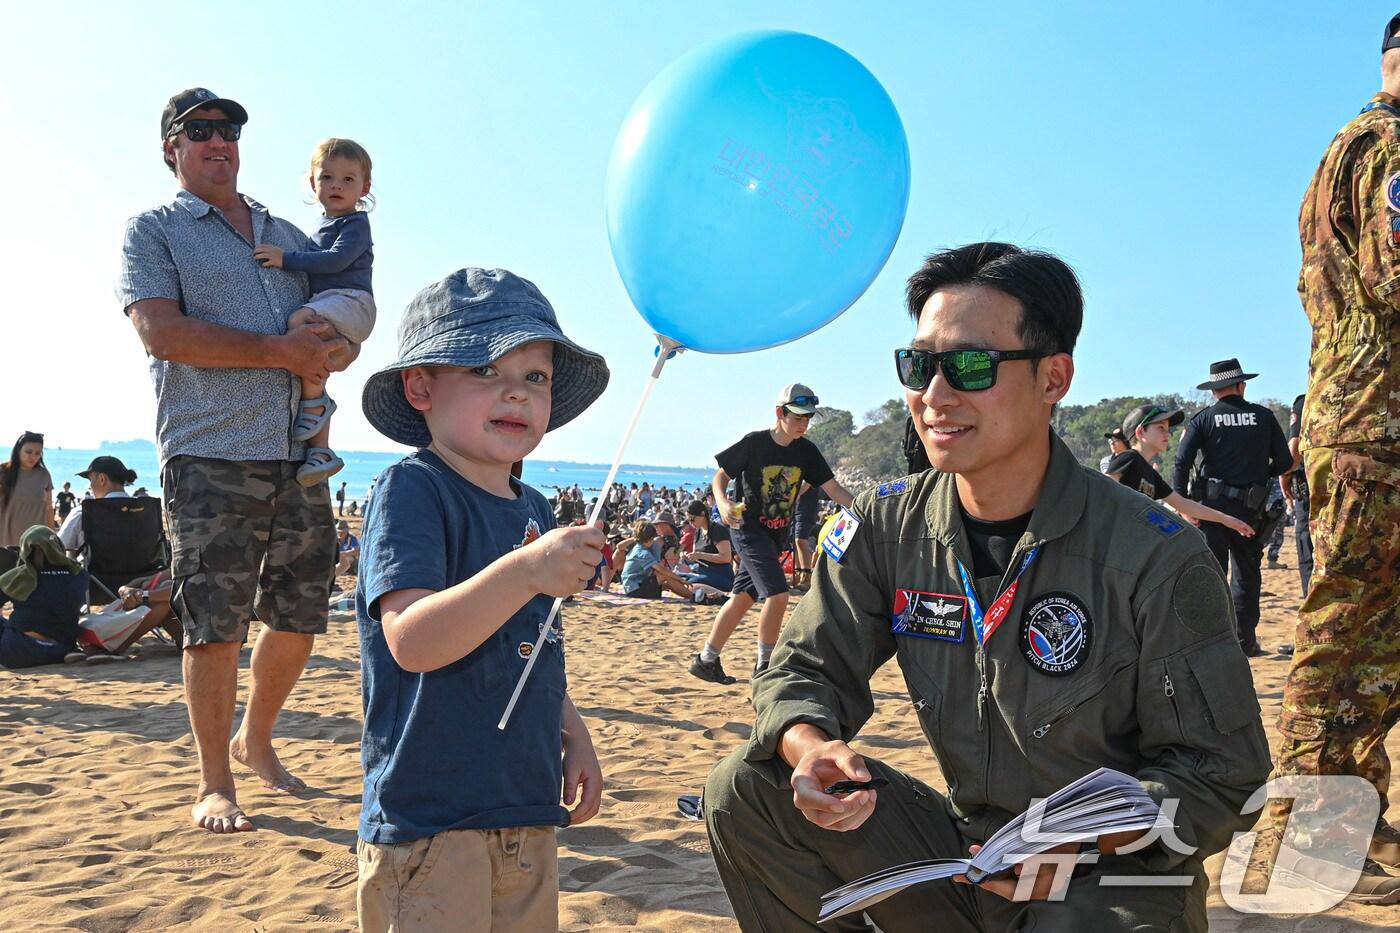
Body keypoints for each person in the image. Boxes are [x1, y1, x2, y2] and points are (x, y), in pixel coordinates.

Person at [703, 242, 1270, 932]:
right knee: (745, 789)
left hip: (1107, 875)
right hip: (966, 854)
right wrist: (809, 746)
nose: (934, 397)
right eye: (919, 366)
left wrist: (1081, 837)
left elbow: (1225, 776)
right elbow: (805, 665)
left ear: (1053, 377)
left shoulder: (1153, 551)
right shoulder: (886, 525)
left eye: (970, 366)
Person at [354, 268, 609, 931]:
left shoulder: (536, 508)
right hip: (431, 818)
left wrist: (572, 732)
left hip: (523, 807)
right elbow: (411, 638)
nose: (516, 393)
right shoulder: (413, 489)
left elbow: (530, 643)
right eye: (486, 370)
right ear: (421, 387)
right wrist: (526, 570)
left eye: (536, 377)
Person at [119, 87, 344, 833]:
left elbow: (336, 316)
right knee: (214, 625)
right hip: (208, 451)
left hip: (298, 451)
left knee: (302, 615)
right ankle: (216, 781)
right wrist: (279, 351)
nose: (219, 141)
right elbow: (162, 333)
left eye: (230, 130)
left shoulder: (285, 231)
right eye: (201, 130)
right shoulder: (153, 231)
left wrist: (336, 345)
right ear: (171, 149)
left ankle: (256, 738)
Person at [1264, 14, 1400, 898]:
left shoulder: (1343, 147)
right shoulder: (1388, 147)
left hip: (1359, 411)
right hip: (1378, 421)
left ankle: (1348, 815)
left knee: (1372, 632)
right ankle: (1307, 838)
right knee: (1348, 632)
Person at [690, 383, 855, 685]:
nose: (803, 425)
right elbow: (721, 476)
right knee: (779, 594)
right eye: (797, 418)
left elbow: (833, 489)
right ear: (780, 413)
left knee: (741, 598)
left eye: (807, 419)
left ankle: (706, 660)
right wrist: (723, 502)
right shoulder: (754, 443)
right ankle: (765, 666)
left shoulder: (806, 451)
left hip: (776, 535)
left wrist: (863, 509)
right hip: (748, 530)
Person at [253, 138, 376, 487]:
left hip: (353, 300)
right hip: (337, 302)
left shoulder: (354, 224)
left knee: (298, 322)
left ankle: (315, 405)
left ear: (364, 188)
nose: (336, 186)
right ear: (312, 183)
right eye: (327, 177)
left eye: (348, 180)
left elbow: (336, 259)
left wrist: (285, 259)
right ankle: (320, 450)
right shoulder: (319, 227)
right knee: (314, 357)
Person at [1171, 359, 1290, 657]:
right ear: (1241, 386)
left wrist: (1184, 504)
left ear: (1214, 391)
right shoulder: (1264, 417)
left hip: (1211, 510)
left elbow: (1182, 462)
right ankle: (1245, 641)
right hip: (1250, 511)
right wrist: (1260, 472)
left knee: (1212, 575)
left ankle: (1210, 643)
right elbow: (1286, 462)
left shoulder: (1203, 419)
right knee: (1246, 577)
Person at [1105, 405, 1256, 538]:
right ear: (1140, 432)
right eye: (1160, 428)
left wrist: (1226, 519)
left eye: (1167, 429)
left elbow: (1182, 503)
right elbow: (1104, 488)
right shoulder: (1128, 458)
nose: (1167, 434)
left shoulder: (1152, 475)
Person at [57, 455, 139, 553]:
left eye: (90, 480)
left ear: (102, 479)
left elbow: (57, 550)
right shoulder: (144, 511)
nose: (90, 486)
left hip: (95, 568)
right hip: (144, 568)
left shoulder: (84, 512)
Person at [1279, 393, 1314, 597]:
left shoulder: (1306, 401)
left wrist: (1284, 474)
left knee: (1307, 547)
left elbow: (1295, 448)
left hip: (1311, 489)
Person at [0, 431, 54, 548]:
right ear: (18, 450)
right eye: (28, 452)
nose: (33, 457)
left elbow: (49, 508)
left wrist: (52, 537)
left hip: (36, 543)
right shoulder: (3, 472)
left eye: (37, 453)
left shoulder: (44, 475)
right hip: (7, 543)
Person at [619, 522, 693, 599]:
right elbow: (662, 570)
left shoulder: (639, 547)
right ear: (651, 537)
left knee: (668, 583)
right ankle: (693, 596)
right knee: (665, 576)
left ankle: (691, 596)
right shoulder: (643, 553)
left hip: (633, 586)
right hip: (635, 588)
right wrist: (681, 579)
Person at [681, 499, 735, 594]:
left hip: (720, 574)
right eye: (688, 521)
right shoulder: (698, 532)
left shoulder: (717, 530)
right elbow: (695, 556)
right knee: (678, 577)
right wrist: (687, 556)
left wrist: (700, 555)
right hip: (703, 572)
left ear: (702, 514)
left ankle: (720, 594)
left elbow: (726, 557)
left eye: (692, 519)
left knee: (690, 583)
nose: (690, 523)